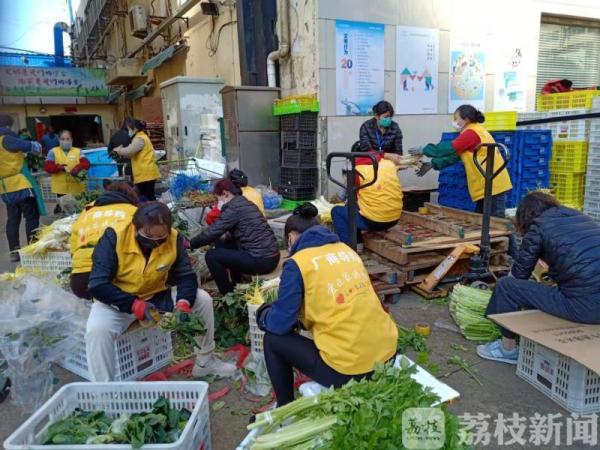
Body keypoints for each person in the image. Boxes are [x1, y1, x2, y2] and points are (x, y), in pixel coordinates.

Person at [256, 203, 398, 406]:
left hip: (350, 370)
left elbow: (280, 324)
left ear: (292, 237)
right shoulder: (347, 251)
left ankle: (284, 406)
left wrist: (264, 315)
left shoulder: (298, 262)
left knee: (272, 339)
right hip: (387, 355)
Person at [86, 201, 235, 381]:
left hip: (156, 296)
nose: (155, 242)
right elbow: (98, 284)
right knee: (97, 330)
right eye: (149, 236)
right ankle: (104, 393)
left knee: (202, 299)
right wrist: (133, 304)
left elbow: (186, 275)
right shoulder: (114, 237)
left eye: (161, 238)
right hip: (117, 301)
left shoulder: (174, 238)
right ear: (136, 227)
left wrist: (183, 302)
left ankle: (206, 362)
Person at [477, 192, 600, 365]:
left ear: (526, 215)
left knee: (506, 286)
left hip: (586, 307)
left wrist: (501, 299)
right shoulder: (579, 217)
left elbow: (518, 275)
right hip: (591, 297)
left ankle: (507, 349)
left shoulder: (538, 227)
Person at [410, 105, 512, 218]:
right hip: (487, 183)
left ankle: (512, 237)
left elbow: (448, 148)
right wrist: (432, 164)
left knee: (497, 222)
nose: (454, 122)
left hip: (493, 183)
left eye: (456, 118)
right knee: (482, 220)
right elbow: (454, 156)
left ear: (466, 119)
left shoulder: (472, 133)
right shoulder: (473, 131)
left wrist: (424, 149)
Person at [190, 179, 280, 295]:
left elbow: (212, 232)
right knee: (222, 243)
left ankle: (227, 294)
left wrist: (191, 243)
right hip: (271, 256)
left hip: (261, 260)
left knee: (211, 256)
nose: (219, 203)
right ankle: (236, 283)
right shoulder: (245, 203)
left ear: (225, 194)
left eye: (219, 199)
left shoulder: (233, 208)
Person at [69, 182, 139, 299]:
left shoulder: (87, 212)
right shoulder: (133, 212)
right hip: (113, 280)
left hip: (80, 279)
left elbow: (73, 247)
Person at [331, 148, 403, 246]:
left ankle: (350, 245)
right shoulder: (389, 164)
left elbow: (345, 192)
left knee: (337, 211)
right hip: (395, 218)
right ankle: (359, 240)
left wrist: (338, 197)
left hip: (374, 221)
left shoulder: (356, 170)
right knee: (356, 203)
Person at [0, 114, 44, 262]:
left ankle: (14, 251)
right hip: (20, 184)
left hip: (5, 187)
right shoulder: (7, 138)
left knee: (13, 218)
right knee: (31, 216)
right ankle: (33, 248)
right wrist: (36, 145)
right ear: (8, 126)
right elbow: (30, 146)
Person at [112, 118, 161, 201]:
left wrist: (118, 150)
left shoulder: (139, 139)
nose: (128, 131)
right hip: (145, 173)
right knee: (146, 196)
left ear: (135, 129)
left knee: (148, 196)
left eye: (129, 129)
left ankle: (151, 211)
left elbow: (129, 151)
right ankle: (149, 210)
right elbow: (133, 153)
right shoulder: (141, 137)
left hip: (145, 173)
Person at [43, 129, 90, 197]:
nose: (65, 141)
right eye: (63, 139)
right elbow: (47, 166)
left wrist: (78, 168)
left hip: (77, 188)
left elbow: (86, 163)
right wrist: (58, 167)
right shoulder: (52, 151)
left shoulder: (78, 151)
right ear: (59, 140)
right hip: (61, 189)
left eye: (68, 139)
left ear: (71, 140)